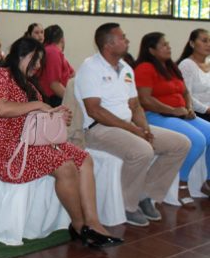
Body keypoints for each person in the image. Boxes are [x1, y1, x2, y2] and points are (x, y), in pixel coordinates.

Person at [0, 37, 122, 248]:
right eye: (36, 60)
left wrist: (56, 116)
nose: (38, 66)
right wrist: (39, 104)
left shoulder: (28, 83)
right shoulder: (0, 76)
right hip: (10, 145)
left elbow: (37, 117)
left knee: (84, 159)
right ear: (23, 55)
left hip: (36, 140)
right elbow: (2, 109)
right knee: (65, 166)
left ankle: (93, 223)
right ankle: (79, 225)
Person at [75, 23, 190, 226]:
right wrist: (133, 130)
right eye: (123, 38)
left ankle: (146, 194)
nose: (127, 41)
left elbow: (135, 105)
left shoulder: (127, 68)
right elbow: (94, 110)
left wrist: (144, 128)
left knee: (180, 144)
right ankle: (127, 206)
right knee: (142, 150)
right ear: (109, 45)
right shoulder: (90, 67)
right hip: (99, 129)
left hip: (128, 126)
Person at [134, 32, 210, 205]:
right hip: (155, 115)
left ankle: (207, 180)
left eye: (168, 44)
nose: (168, 47)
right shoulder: (145, 68)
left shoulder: (170, 67)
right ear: (151, 50)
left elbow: (184, 92)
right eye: (163, 45)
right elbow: (145, 100)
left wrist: (189, 108)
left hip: (180, 113)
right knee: (197, 140)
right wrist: (173, 110)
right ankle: (182, 185)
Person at [177, 28, 210, 122]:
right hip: (197, 113)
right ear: (192, 43)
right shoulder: (186, 65)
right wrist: (206, 109)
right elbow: (187, 95)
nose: (208, 44)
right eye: (204, 41)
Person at [39, 25, 75, 107]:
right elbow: (54, 85)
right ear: (62, 39)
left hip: (56, 96)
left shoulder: (53, 52)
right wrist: (73, 100)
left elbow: (72, 74)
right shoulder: (52, 52)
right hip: (52, 99)